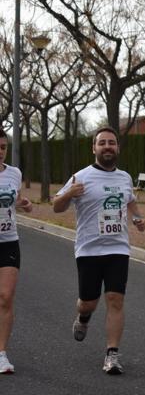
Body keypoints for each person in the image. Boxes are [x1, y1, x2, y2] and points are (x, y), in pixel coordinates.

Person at [52, 127, 145, 375]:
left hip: (118, 248)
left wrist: (137, 217)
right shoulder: (80, 176)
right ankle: (83, 317)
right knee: (88, 302)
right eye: (102, 143)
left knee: (116, 299)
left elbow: (130, 199)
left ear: (117, 148)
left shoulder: (124, 177)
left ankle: (112, 354)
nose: (107, 146)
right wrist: (69, 194)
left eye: (111, 143)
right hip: (89, 250)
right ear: (94, 148)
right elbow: (56, 207)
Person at [0, 129, 33, 374]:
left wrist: (24, 205)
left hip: (9, 240)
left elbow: (16, 202)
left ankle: (1, 354)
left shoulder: (14, 173)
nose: (0, 152)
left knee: (6, 296)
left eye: (3, 147)